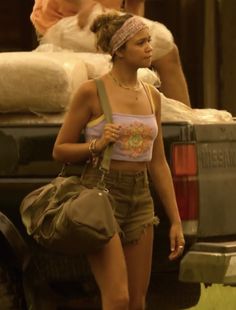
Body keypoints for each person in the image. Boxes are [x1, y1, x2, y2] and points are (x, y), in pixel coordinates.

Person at [52, 12, 185, 310]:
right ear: (119, 50)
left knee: (137, 302)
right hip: (102, 194)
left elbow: (159, 162)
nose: (149, 48)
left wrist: (175, 220)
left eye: (149, 40)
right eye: (140, 43)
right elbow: (60, 150)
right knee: (117, 298)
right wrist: (96, 145)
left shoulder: (153, 96)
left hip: (141, 198)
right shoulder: (92, 92)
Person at [30, 0, 191, 106]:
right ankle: (184, 124)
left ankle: (177, 124)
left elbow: (134, 7)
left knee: (163, 50)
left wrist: (135, 41)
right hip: (65, 21)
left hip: (99, 16)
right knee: (164, 42)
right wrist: (84, 4)